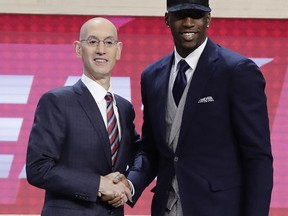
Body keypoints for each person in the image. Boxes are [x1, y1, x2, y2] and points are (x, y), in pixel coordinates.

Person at [117, 0, 273, 215]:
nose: (188, 23)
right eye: (180, 15)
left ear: (208, 20)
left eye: (196, 15)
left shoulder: (236, 71)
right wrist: (130, 184)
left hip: (220, 208)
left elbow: (257, 156)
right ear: (167, 20)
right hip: (166, 207)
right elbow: (152, 148)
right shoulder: (152, 75)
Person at [26, 17, 139, 216]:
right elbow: (38, 168)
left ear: (118, 50)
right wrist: (98, 185)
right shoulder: (56, 101)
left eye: (109, 42)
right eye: (93, 41)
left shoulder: (124, 108)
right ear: (78, 48)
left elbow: (139, 154)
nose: (101, 50)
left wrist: (126, 185)